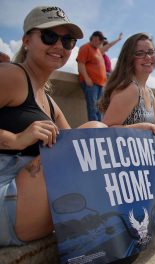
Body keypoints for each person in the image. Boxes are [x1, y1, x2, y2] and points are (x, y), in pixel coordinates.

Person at [0, 5, 106, 247]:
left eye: (67, 41)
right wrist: (15, 139)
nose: (59, 46)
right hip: (6, 192)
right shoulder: (11, 75)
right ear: (27, 40)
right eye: (49, 36)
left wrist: (138, 130)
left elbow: (82, 146)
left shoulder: (47, 101)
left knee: (93, 131)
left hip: (25, 196)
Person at [76, 30, 107, 121]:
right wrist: (86, 78)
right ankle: (94, 129)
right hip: (91, 84)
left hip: (100, 84)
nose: (101, 42)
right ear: (93, 38)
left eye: (102, 40)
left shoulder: (97, 51)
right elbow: (80, 64)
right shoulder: (85, 47)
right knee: (93, 108)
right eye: (100, 39)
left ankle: (99, 127)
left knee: (99, 108)